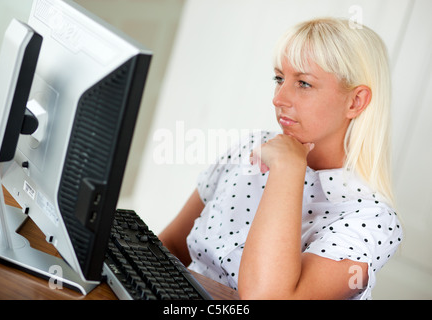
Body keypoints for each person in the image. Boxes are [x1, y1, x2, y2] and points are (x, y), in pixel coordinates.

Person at [159, 17, 402, 300]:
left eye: (304, 83)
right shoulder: (252, 147)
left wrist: (288, 168)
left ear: (355, 101)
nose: (278, 98)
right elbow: (171, 245)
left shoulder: (371, 220)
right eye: (279, 79)